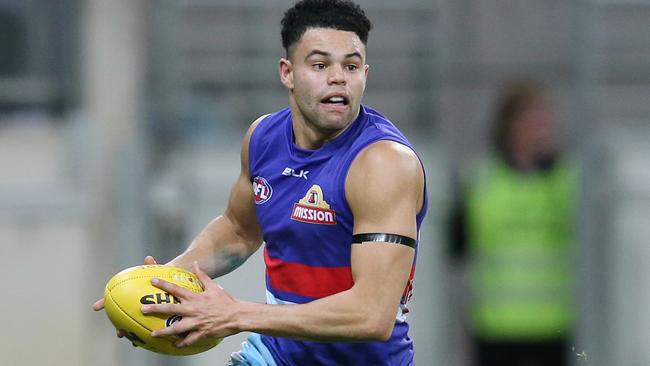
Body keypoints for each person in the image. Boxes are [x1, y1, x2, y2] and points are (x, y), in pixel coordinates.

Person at [93, 1, 428, 365]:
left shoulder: (384, 163)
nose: (338, 78)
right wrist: (159, 286)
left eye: (350, 66)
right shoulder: (263, 137)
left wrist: (235, 314)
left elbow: (372, 314)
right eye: (319, 65)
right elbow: (238, 230)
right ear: (287, 72)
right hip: (274, 356)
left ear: (365, 73)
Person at [448, 80, 577, 366]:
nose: (543, 132)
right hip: (494, 327)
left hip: (553, 324)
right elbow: (455, 248)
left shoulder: (567, 180)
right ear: (511, 126)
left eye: (545, 124)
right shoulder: (479, 179)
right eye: (535, 123)